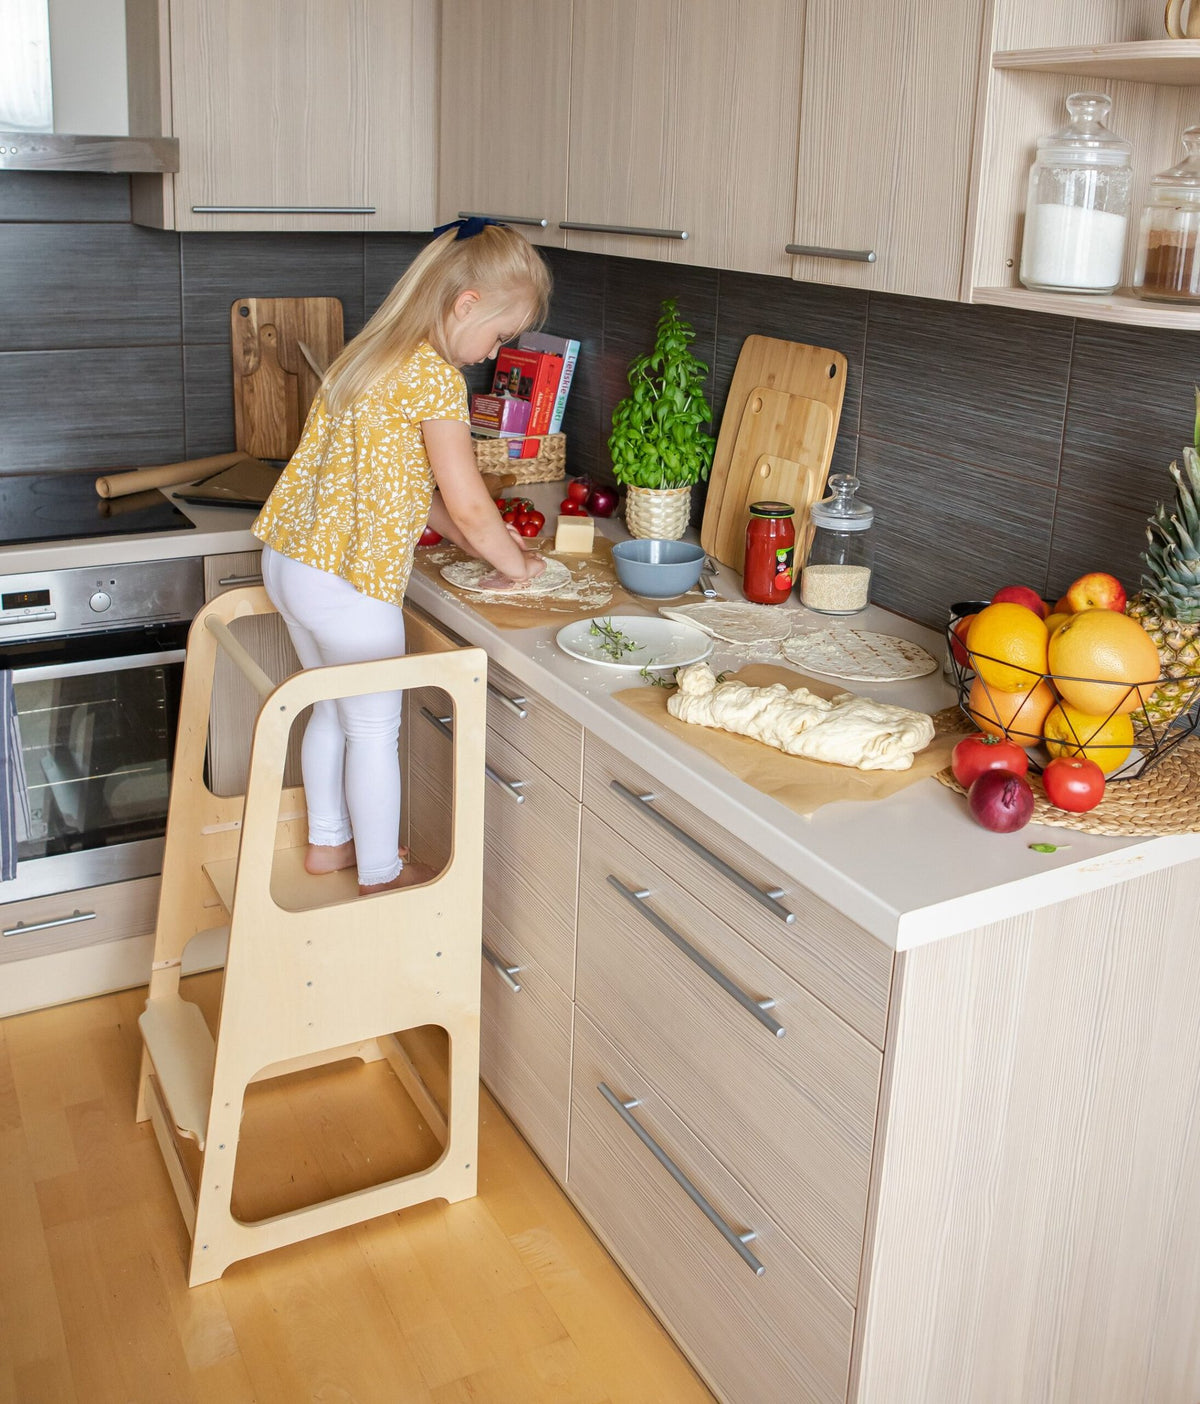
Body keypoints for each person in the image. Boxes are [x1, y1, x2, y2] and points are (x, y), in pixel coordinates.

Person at [251, 219, 551, 895]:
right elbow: (470, 504)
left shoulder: (372, 353)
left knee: (331, 709)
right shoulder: (435, 379)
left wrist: (481, 539)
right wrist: (516, 565)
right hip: (347, 584)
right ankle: (383, 873)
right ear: (466, 303)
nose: (492, 352)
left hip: (293, 562)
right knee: (374, 731)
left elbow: (407, 488)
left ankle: (329, 845)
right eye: (500, 335)